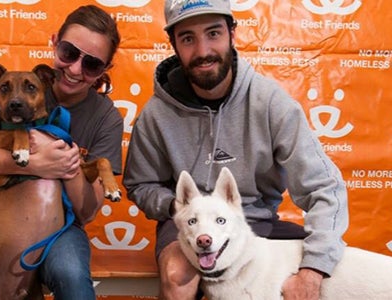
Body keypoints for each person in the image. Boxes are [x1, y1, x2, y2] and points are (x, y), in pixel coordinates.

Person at [123, 0, 349, 299]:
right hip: (190, 226)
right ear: (174, 45)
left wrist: (312, 270)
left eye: (213, 33)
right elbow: (140, 184)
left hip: (257, 222)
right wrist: (178, 206)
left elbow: (324, 187)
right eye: (188, 38)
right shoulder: (155, 115)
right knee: (179, 277)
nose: (203, 51)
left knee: (334, 271)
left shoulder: (270, 103)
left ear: (232, 33)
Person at [0, 5, 123, 300]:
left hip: (60, 227)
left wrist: (65, 167)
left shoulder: (106, 117)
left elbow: (87, 211)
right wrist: (34, 163)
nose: (74, 69)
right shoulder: (16, 90)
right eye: (69, 53)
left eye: (92, 64)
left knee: (72, 276)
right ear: (55, 43)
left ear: (104, 70)